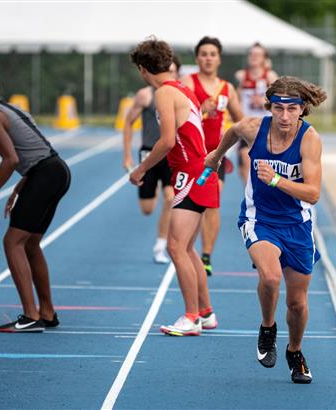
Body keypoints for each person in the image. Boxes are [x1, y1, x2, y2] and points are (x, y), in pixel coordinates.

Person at [205, 76, 326, 384]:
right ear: (270, 107)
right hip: (259, 219)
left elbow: (313, 194)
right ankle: (268, 328)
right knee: (270, 276)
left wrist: (275, 180)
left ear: (302, 109)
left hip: (298, 225)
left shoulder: (310, 140)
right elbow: (232, 131)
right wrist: (217, 156)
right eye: (279, 108)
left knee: (297, 304)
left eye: (292, 108)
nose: (285, 116)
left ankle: (294, 351)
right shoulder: (255, 129)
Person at [0, 69, 70, 333]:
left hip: (44, 174)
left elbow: (11, 159)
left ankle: (30, 316)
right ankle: (46, 313)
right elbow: (36, 149)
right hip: (56, 170)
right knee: (31, 243)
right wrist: (20, 187)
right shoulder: (9, 108)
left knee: (12, 242)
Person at [129, 37, 218, 336]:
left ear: (143, 69)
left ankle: (191, 316)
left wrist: (141, 168)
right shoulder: (183, 88)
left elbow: (167, 141)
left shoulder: (165, 93)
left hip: (190, 175)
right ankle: (205, 312)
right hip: (198, 172)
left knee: (175, 247)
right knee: (188, 248)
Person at [182, 36, 244, 277]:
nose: (208, 58)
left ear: (219, 59)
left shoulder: (227, 88)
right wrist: (200, 108)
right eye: (204, 54)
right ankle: (187, 248)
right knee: (191, 204)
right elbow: (178, 114)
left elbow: (240, 119)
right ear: (197, 58)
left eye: (212, 54)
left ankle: (206, 255)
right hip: (190, 154)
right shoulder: (187, 81)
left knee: (212, 203)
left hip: (214, 156)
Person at [121, 56, 181, 264]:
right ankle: (153, 190)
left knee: (170, 198)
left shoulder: (178, 95)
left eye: (175, 71)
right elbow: (128, 123)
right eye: (169, 70)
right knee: (147, 209)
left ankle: (160, 245)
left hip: (170, 154)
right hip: (148, 154)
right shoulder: (145, 96)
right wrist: (127, 155)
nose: (171, 74)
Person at [235, 43, 279, 184]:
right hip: (247, 125)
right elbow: (236, 98)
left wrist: (263, 100)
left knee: (265, 165)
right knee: (244, 160)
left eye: (257, 55)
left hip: (265, 126)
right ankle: (249, 195)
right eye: (251, 54)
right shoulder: (242, 76)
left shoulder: (270, 76)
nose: (253, 57)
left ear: (264, 58)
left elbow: (278, 99)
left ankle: (264, 193)